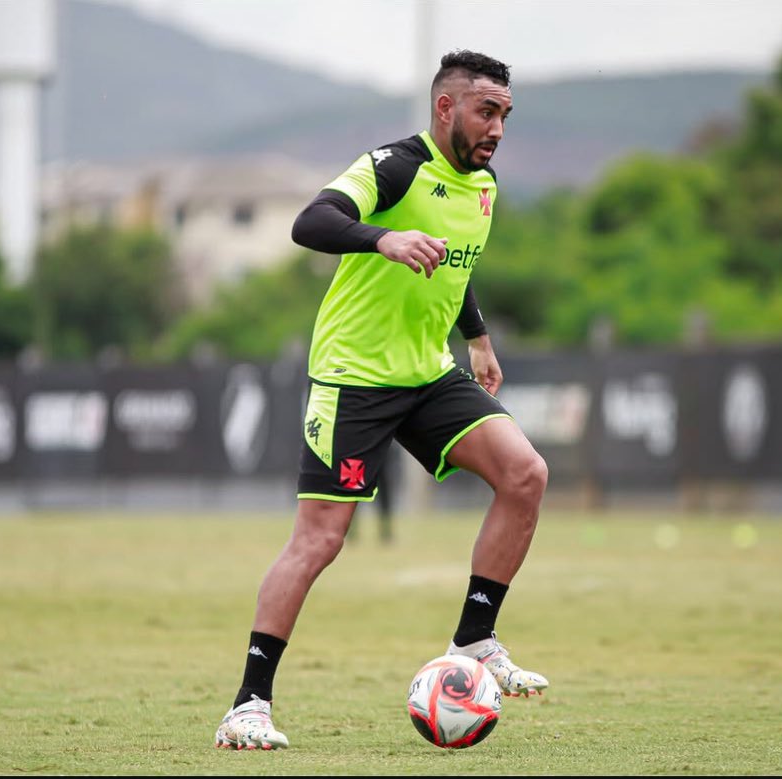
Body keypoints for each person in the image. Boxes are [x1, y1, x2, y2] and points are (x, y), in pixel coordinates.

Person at [214, 50, 550, 751]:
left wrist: (479, 338)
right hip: (354, 376)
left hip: (427, 373)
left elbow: (454, 265)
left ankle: (475, 639)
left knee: (525, 473)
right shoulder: (396, 166)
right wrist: (383, 237)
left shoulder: (483, 184)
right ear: (445, 108)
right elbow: (311, 222)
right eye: (487, 111)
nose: (497, 127)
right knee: (319, 541)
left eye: (505, 115)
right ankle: (248, 704)